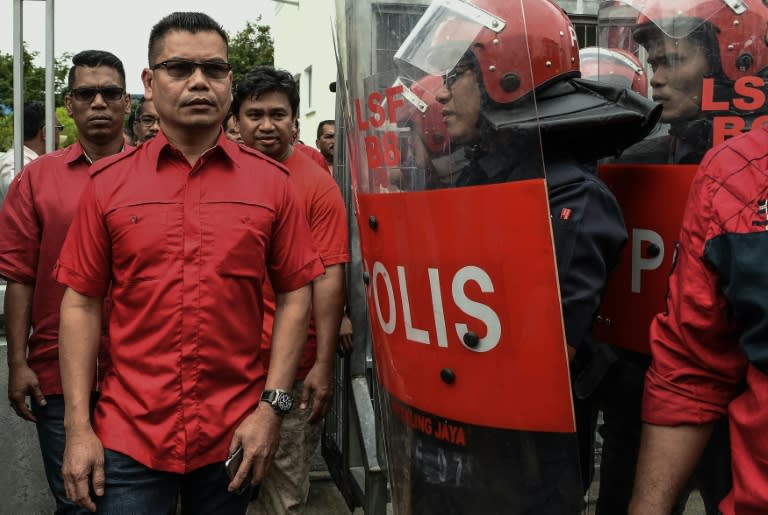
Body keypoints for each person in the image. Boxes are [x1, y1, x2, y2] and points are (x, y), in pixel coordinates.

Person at [391, 0, 659, 511]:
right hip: (446, 455)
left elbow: (543, 357)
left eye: (460, 73)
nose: (442, 92)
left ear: (509, 75)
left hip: (516, 472)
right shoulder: (477, 181)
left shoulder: (571, 198)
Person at [55, 12, 324, 514]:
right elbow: (81, 303)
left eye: (215, 70)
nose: (200, 81)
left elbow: (295, 293)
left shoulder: (272, 184)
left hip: (235, 432)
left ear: (228, 82)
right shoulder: (108, 185)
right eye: (180, 68)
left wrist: (273, 407)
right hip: (129, 432)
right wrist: (77, 426)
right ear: (150, 84)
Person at [593, 2, 768, 513]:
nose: (658, 78)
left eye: (674, 59)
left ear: (733, 63)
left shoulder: (747, 172)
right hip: (647, 382)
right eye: (653, 61)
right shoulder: (635, 159)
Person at [0, 49, 132, 515]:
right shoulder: (36, 181)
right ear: (68, 105)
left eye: (110, 92)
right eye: (85, 93)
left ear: (127, 103)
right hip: (55, 375)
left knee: (133, 499)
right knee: (79, 501)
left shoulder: (156, 175)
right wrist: (17, 362)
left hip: (138, 373)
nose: (98, 102)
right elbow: (19, 277)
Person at [232, 65, 349, 515]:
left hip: (293, 371)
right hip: (226, 367)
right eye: (254, 114)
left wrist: (322, 367)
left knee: (282, 490)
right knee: (219, 486)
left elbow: (328, 276)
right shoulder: (218, 175)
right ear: (235, 121)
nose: (266, 126)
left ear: (294, 121)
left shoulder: (317, 186)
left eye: (277, 115)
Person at [0, 101, 61, 205]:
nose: (60, 134)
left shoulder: (27, 162)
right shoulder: (15, 165)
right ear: (46, 132)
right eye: (59, 128)